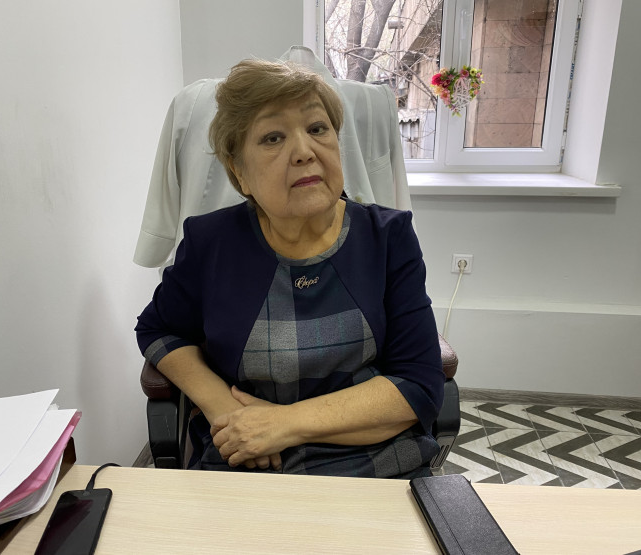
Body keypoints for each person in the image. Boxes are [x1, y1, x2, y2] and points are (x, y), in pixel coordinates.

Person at [135, 59, 444, 479]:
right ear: (240, 172)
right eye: (273, 137)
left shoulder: (388, 238)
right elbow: (158, 329)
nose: (304, 152)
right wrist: (222, 407)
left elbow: (419, 385)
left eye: (317, 129)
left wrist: (282, 424)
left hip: (378, 467)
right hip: (247, 461)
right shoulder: (211, 242)